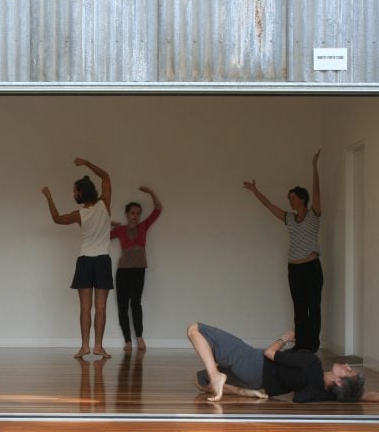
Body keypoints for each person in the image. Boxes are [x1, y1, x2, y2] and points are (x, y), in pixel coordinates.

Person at [243, 149, 323, 352]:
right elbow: (269, 205)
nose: (290, 201)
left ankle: (312, 345)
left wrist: (314, 166)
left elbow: (316, 192)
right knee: (298, 309)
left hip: (312, 268)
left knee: (313, 307)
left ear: (302, 200)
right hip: (294, 269)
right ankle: (300, 345)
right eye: (289, 198)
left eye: (293, 198)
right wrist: (255, 190)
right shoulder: (289, 218)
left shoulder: (314, 215)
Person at [186, 321, 368, 404]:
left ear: (338, 382)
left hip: (252, 362)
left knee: (195, 329)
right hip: (257, 382)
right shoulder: (318, 392)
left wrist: (285, 338)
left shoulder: (312, 362)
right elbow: (361, 396)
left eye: (348, 371)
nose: (347, 365)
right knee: (200, 381)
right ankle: (243, 391)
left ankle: (217, 375)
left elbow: (269, 352)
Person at [42, 157, 113, 358]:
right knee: (101, 307)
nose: (73, 194)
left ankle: (85, 346)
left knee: (85, 307)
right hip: (102, 261)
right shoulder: (105, 204)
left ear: (81, 193)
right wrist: (88, 163)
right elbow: (106, 176)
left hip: (85, 261)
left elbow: (56, 219)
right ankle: (98, 346)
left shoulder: (78, 214)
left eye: (74, 191)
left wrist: (48, 197)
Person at [110, 187, 162, 351]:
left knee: (136, 304)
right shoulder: (119, 230)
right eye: (132, 213)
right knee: (122, 306)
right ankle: (127, 341)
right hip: (123, 272)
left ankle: (139, 337)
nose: (135, 216)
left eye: (138, 213)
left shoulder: (143, 226)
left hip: (138, 270)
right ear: (127, 214)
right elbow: (101, 236)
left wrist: (151, 193)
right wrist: (109, 223)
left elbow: (158, 209)